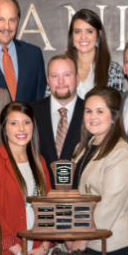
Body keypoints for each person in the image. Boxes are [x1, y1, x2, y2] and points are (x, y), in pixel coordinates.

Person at [0, 102, 52, 255]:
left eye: (26, 122)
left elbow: (49, 208)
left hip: (39, 254)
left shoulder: (40, 162)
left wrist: (44, 247)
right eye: (13, 123)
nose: (21, 128)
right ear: (4, 128)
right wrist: (17, 252)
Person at [70, 87, 128, 255]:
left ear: (114, 116)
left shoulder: (120, 153)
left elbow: (108, 205)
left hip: (111, 245)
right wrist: (69, 235)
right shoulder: (82, 148)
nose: (93, 116)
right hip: (84, 240)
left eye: (100, 111)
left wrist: (82, 240)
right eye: (88, 111)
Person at [0, 0, 47, 103]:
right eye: (0, 20)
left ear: (18, 21)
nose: (7, 27)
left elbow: (40, 103)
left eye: (12, 20)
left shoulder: (33, 55)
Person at [32, 55, 85, 185]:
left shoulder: (91, 113)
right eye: (55, 76)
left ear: (77, 79)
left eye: (67, 75)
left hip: (82, 199)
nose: (61, 81)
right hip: (41, 198)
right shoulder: (31, 112)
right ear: (48, 80)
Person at [66, 9, 123, 98]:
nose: (83, 37)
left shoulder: (114, 70)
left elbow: (114, 107)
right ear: (71, 36)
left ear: (99, 34)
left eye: (89, 31)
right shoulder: (61, 68)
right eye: (77, 31)